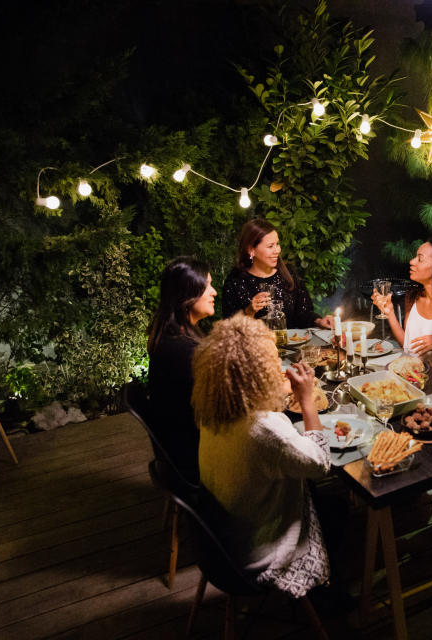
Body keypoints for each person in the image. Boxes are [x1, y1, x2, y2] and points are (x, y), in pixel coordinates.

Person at [190, 314, 331, 598]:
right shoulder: (264, 429)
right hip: (257, 555)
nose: (279, 366)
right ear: (257, 372)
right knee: (336, 509)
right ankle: (329, 599)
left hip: (220, 538)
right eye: (273, 360)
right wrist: (306, 399)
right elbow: (320, 463)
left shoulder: (215, 407)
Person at [146, 256, 216, 484]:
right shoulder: (182, 350)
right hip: (193, 457)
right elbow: (220, 404)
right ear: (187, 295)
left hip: (183, 445)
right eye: (206, 286)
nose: (214, 292)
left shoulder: (176, 334)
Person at [221, 218, 333, 329]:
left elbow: (303, 314)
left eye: (277, 244)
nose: (277, 250)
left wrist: (319, 321)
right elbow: (230, 329)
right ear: (251, 250)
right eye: (270, 246)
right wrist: (249, 312)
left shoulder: (288, 273)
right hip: (256, 346)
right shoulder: (235, 282)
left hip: (292, 345)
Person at [371, 236, 432, 359]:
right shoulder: (413, 297)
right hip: (412, 375)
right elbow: (408, 347)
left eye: (420, 259)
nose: (412, 261)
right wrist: (390, 312)